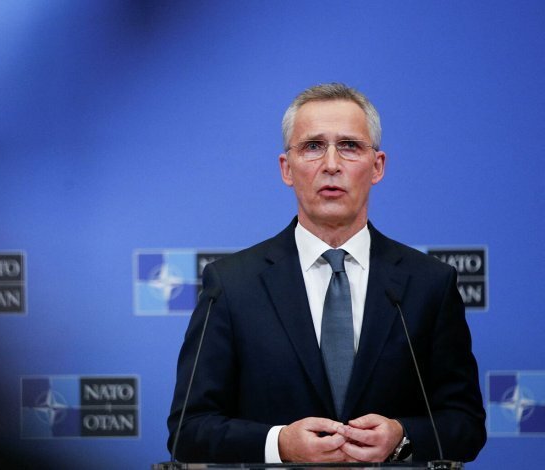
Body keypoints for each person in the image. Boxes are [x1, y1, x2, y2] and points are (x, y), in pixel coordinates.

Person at [166, 83, 486, 464]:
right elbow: (188, 430)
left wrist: (402, 437)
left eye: (349, 146)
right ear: (286, 168)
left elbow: (466, 424)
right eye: (313, 146)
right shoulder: (232, 285)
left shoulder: (429, 284)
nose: (331, 164)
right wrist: (280, 444)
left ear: (377, 166)